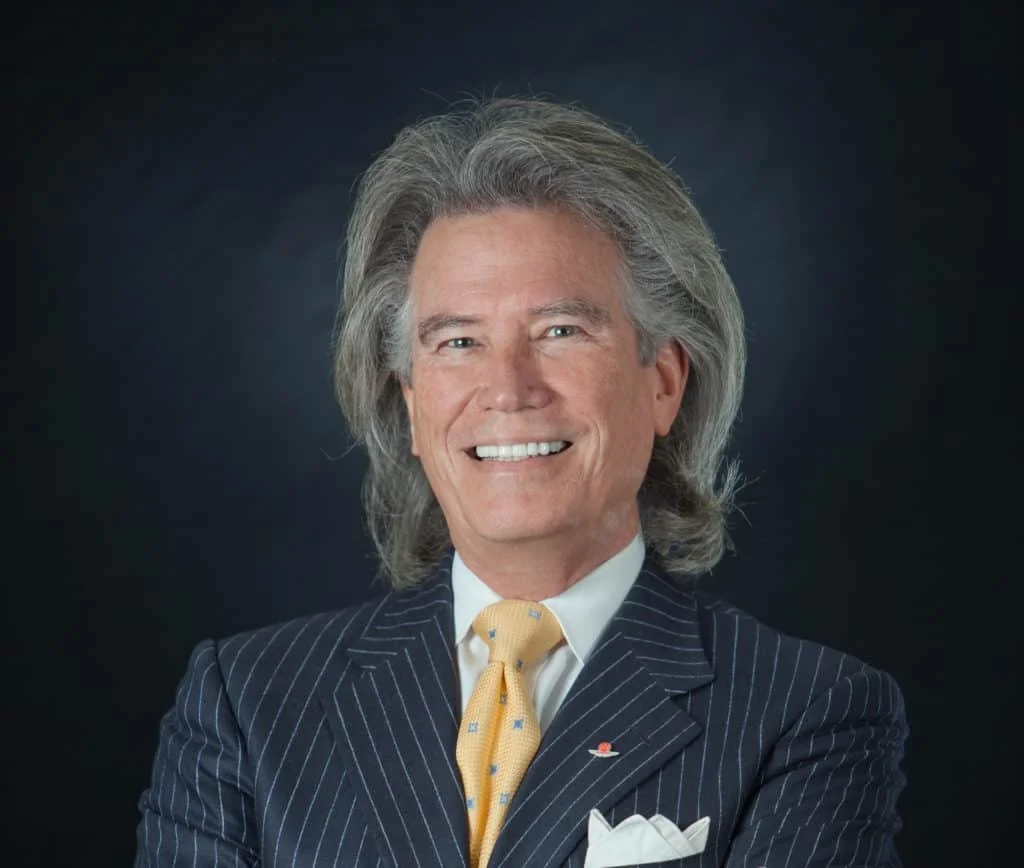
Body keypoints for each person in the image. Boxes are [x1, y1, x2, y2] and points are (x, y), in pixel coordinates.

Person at [135, 98, 908, 867]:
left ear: (664, 382)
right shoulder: (247, 704)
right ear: (411, 404)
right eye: (459, 341)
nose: (507, 388)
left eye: (560, 332)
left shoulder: (807, 714)